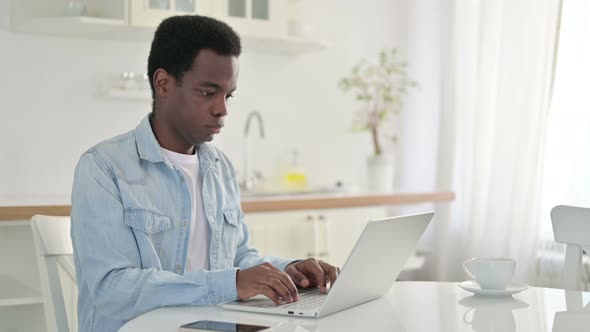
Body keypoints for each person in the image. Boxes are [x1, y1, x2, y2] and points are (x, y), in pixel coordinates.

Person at [70, 15, 340, 332]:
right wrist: (232, 283)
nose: (222, 109)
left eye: (228, 95)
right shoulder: (103, 167)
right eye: (208, 92)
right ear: (163, 83)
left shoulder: (219, 167)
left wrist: (289, 271)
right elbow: (112, 290)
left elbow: (239, 256)